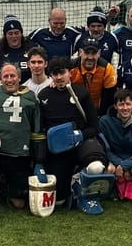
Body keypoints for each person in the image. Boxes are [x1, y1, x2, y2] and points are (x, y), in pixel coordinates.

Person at [39, 57, 111, 213]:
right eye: (54, 74)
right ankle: (73, 185)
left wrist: (79, 135)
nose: (59, 78)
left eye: (62, 73)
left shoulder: (81, 93)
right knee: (59, 201)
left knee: (96, 167)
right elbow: (40, 129)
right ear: (50, 75)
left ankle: (86, 193)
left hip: (82, 143)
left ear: (70, 73)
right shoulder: (44, 95)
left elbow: (94, 127)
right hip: (58, 150)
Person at [0, 63, 41, 209]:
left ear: (19, 78)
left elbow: (37, 128)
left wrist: (38, 156)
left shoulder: (31, 97)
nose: (9, 80)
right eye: (6, 76)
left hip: (19, 154)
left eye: (12, 76)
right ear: (0, 78)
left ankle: (11, 190)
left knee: (19, 204)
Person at [99, 89, 132, 189]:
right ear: (115, 106)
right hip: (112, 160)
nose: (125, 108)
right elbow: (104, 148)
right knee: (108, 169)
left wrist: (124, 166)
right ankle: (112, 188)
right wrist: (118, 164)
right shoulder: (104, 121)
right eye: (121, 104)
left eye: (128, 104)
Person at [69, 38, 117, 116]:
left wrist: (101, 115)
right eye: (87, 53)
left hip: (99, 111)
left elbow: (109, 96)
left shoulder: (107, 69)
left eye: (94, 53)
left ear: (99, 53)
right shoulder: (71, 68)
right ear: (80, 52)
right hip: (75, 110)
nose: (90, 57)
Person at [0, 14, 35, 83]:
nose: (14, 36)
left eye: (16, 33)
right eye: (10, 33)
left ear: (21, 33)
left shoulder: (31, 47)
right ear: (5, 35)